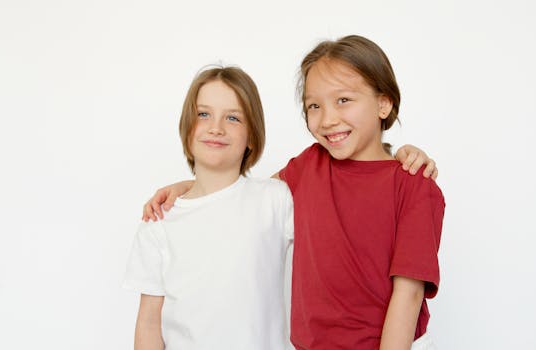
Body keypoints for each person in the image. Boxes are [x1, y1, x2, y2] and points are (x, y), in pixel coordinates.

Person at [143, 35, 444, 350]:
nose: (327, 119)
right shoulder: (308, 166)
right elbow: (245, 196)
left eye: (343, 100)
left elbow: (408, 294)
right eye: (314, 105)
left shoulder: (415, 184)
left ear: (384, 103)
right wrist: (188, 188)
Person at [123, 66, 294, 349]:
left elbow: (335, 188)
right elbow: (149, 323)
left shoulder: (275, 200)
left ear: (252, 136)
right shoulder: (160, 220)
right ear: (187, 128)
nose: (216, 127)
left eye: (233, 117)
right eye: (204, 114)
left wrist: (394, 154)